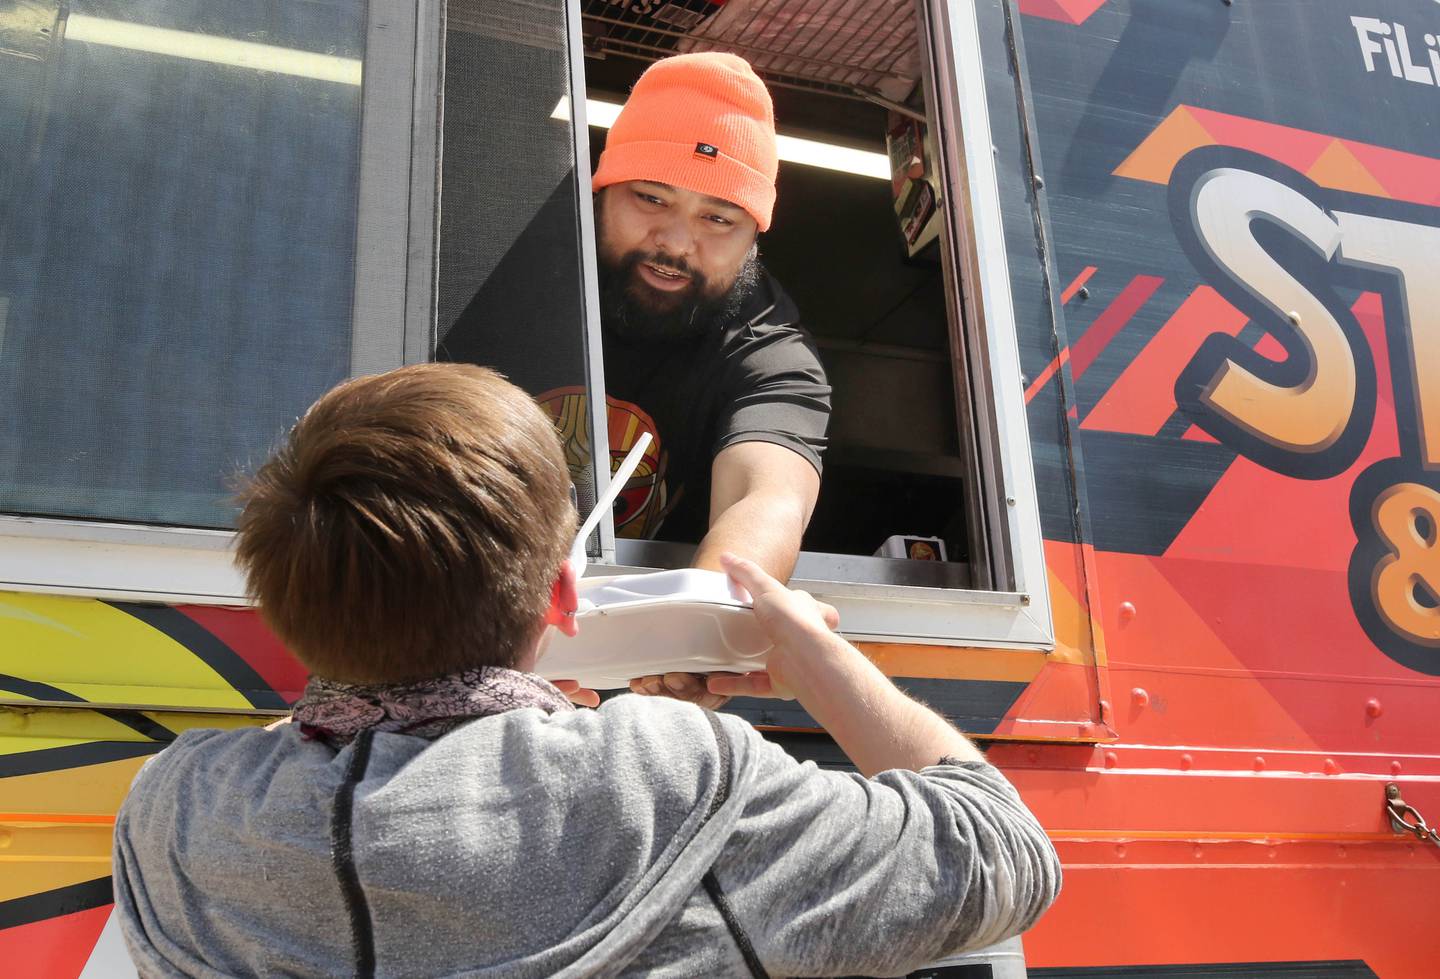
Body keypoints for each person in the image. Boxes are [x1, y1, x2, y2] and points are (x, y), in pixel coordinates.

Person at [112, 364, 1060, 978]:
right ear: (564, 598)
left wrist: (408, 684)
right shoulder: (667, 780)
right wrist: (816, 660)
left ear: (285, 612)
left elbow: (330, 745)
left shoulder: (173, 815)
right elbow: (1005, 849)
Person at [586, 52, 830, 707]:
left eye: (717, 218)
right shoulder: (505, 268)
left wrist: (697, 634)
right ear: (598, 187)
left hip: (624, 671)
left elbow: (768, 496)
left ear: (754, 235)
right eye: (650, 197)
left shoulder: (772, 349)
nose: (675, 242)